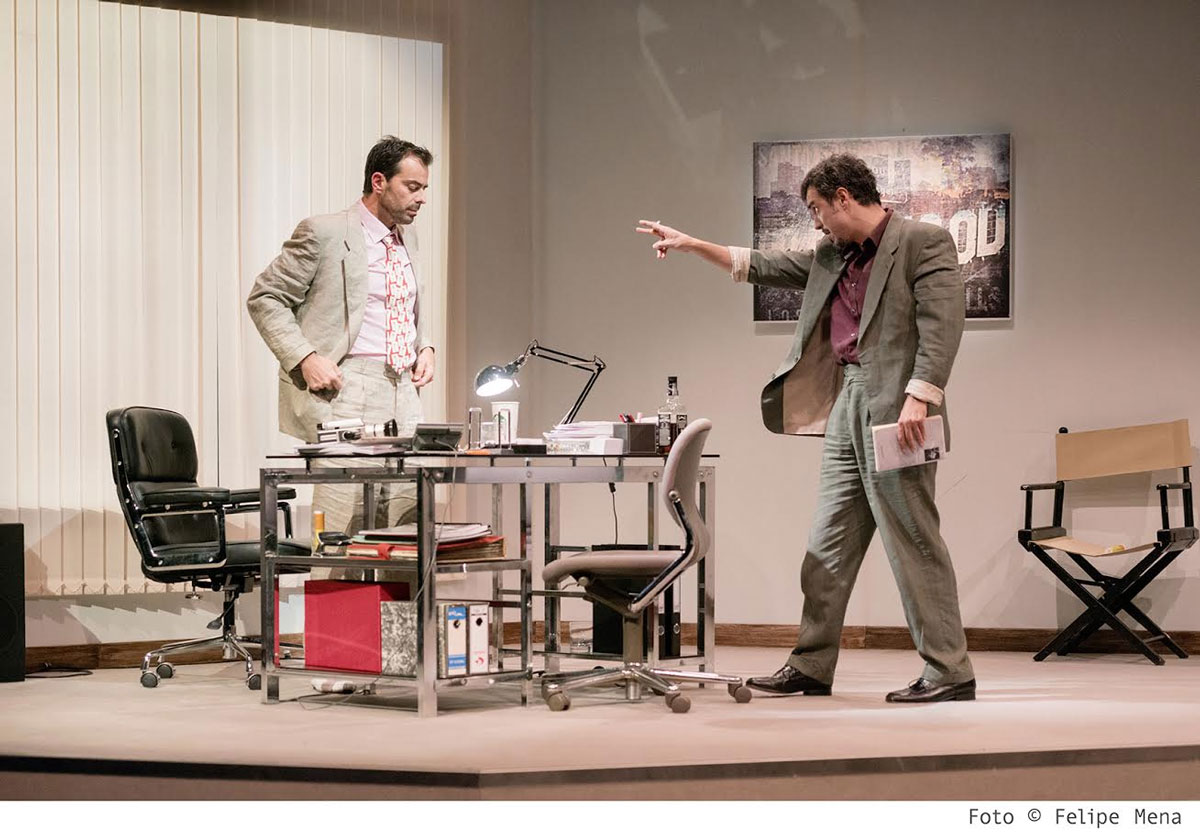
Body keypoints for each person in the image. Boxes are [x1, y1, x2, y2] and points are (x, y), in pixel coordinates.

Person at [637, 153, 975, 703]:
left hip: (900, 408)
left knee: (913, 538)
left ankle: (950, 671)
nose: (815, 221)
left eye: (818, 208)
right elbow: (763, 266)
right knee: (827, 542)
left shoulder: (922, 241)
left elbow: (943, 324)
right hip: (849, 399)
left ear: (843, 197)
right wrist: (693, 244)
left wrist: (921, 396)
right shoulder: (832, 254)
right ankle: (811, 665)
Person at [248, 136, 436, 536]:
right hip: (349, 388)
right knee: (344, 526)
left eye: (424, 189)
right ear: (379, 182)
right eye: (412, 187)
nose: (421, 198)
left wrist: (425, 347)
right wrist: (305, 357)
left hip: (404, 390)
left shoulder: (409, 237)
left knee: (406, 523)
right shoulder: (325, 232)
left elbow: (400, 301)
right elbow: (265, 297)